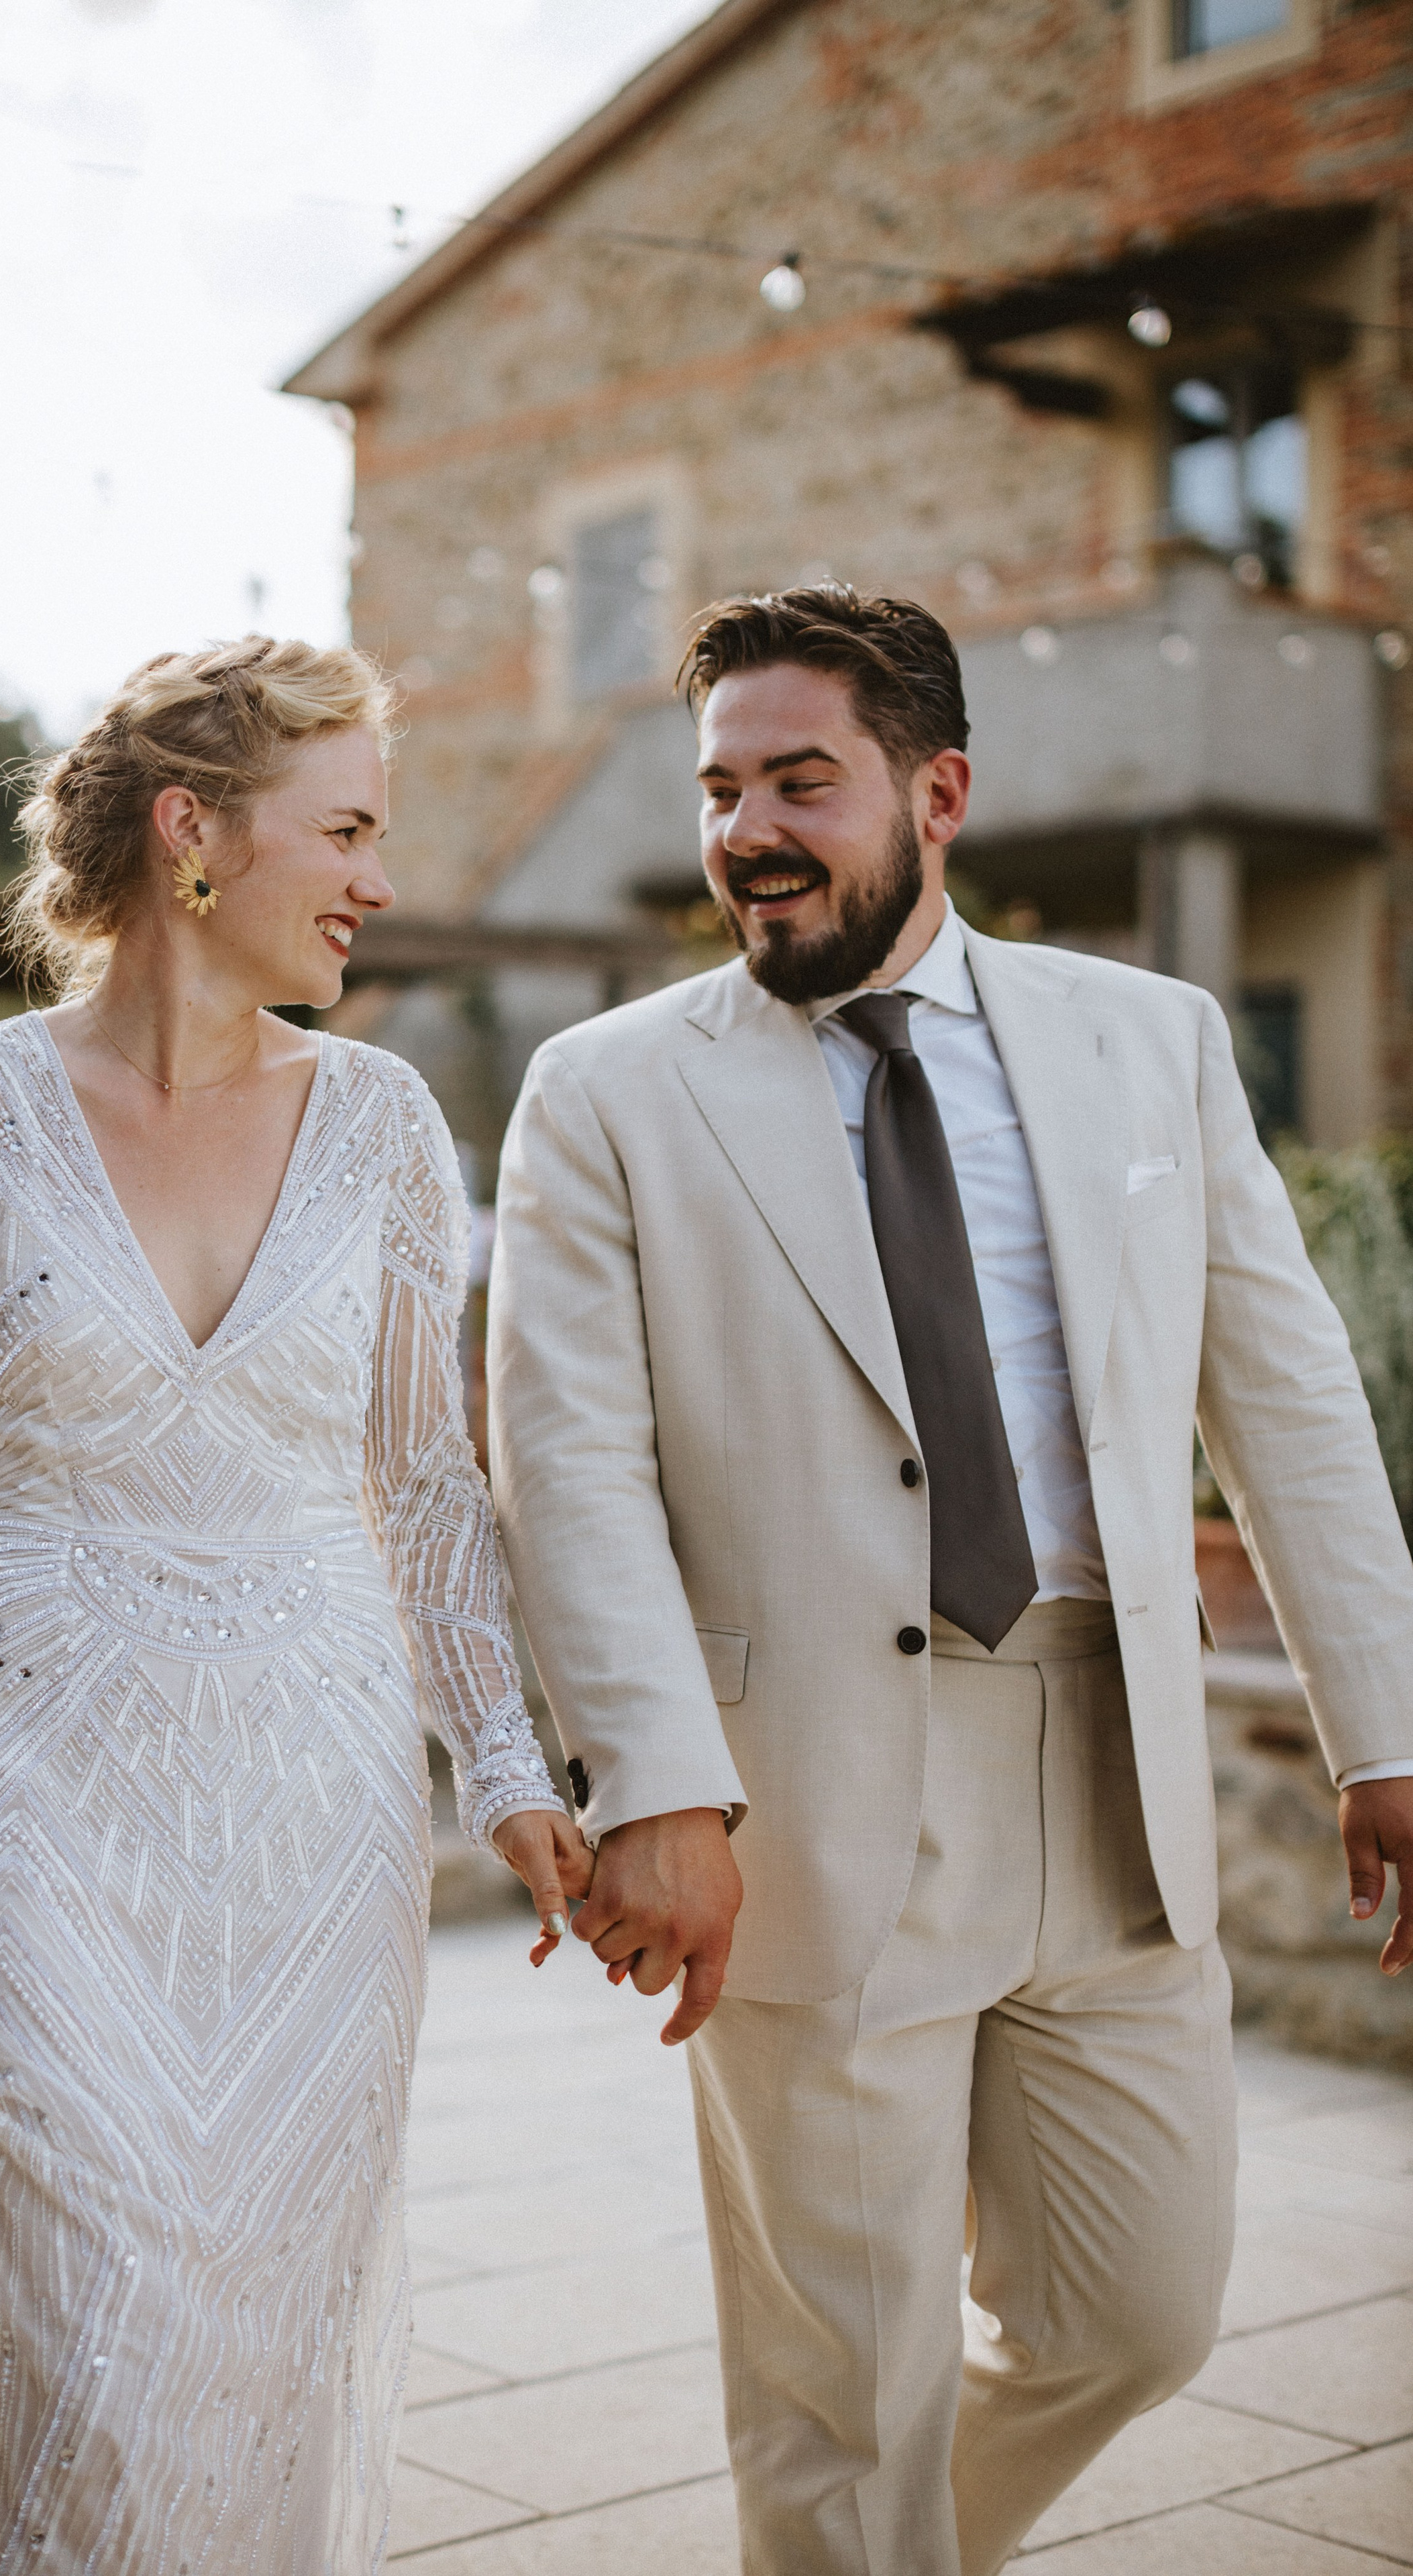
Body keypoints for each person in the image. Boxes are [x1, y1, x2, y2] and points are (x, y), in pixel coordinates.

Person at [486, 584, 1413, 2575]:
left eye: (801, 781)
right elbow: (566, 1466)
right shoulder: (609, 1093)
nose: (748, 828)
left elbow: (1290, 1401)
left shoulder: (1150, 1045)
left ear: (941, 791)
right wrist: (652, 1782)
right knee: (845, 2391)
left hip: (1114, 1774)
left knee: (1138, 2316)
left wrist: (1386, 1727)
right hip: (808, 1794)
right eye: (723, 786)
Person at [0, 637, 588, 2575]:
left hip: (313, 1827)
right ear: (194, 838)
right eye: (347, 828)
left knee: (249, 2345)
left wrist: (504, 1763)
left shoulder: (395, 1124)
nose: (375, 879)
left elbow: (423, 1478)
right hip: (31, 1804)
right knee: (84, 2337)